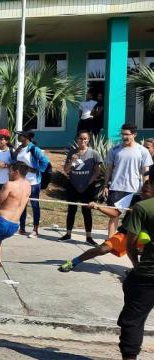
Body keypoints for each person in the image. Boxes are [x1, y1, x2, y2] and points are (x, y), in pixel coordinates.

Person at [58, 183, 154, 273]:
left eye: (146, 192)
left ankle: (139, 271)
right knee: (103, 249)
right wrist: (98, 207)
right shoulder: (134, 197)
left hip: (150, 234)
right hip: (128, 232)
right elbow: (115, 213)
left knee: (148, 255)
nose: (142, 193)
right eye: (142, 190)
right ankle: (74, 262)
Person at [115, 181, 154, 360]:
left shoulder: (142, 207)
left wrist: (136, 264)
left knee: (133, 320)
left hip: (148, 273)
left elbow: (130, 243)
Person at [103, 124, 152, 237]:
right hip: (116, 188)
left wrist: (146, 188)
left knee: (134, 217)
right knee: (114, 215)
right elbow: (109, 169)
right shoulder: (115, 150)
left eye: (127, 134)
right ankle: (109, 241)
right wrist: (105, 185)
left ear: (134, 135)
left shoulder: (142, 151)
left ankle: (131, 242)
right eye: (122, 134)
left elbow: (145, 171)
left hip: (135, 190)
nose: (124, 137)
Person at [58, 130, 103, 244]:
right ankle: (68, 234)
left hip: (88, 187)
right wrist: (71, 161)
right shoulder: (72, 152)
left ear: (88, 140)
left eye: (85, 139)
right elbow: (66, 170)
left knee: (87, 211)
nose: (82, 141)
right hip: (73, 185)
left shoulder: (94, 153)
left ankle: (89, 237)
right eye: (80, 138)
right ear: (77, 139)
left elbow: (97, 171)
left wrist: (89, 182)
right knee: (71, 210)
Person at [14, 130, 50, 238]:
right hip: (22, 181)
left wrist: (35, 169)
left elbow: (45, 162)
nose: (18, 137)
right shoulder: (20, 148)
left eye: (20, 135)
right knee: (22, 204)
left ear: (26, 137)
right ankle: (22, 228)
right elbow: (14, 160)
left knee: (34, 205)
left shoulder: (34, 149)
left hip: (33, 182)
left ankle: (35, 229)